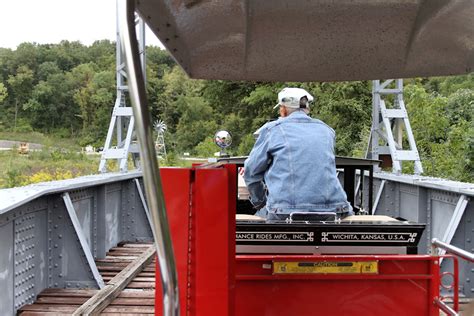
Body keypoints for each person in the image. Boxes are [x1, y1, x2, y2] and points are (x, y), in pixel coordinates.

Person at [244, 87, 352, 220]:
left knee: (256, 220)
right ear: (307, 109)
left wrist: (259, 201)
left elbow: (251, 172)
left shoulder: (272, 130)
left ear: (283, 110)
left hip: (284, 212)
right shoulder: (327, 130)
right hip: (334, 210)